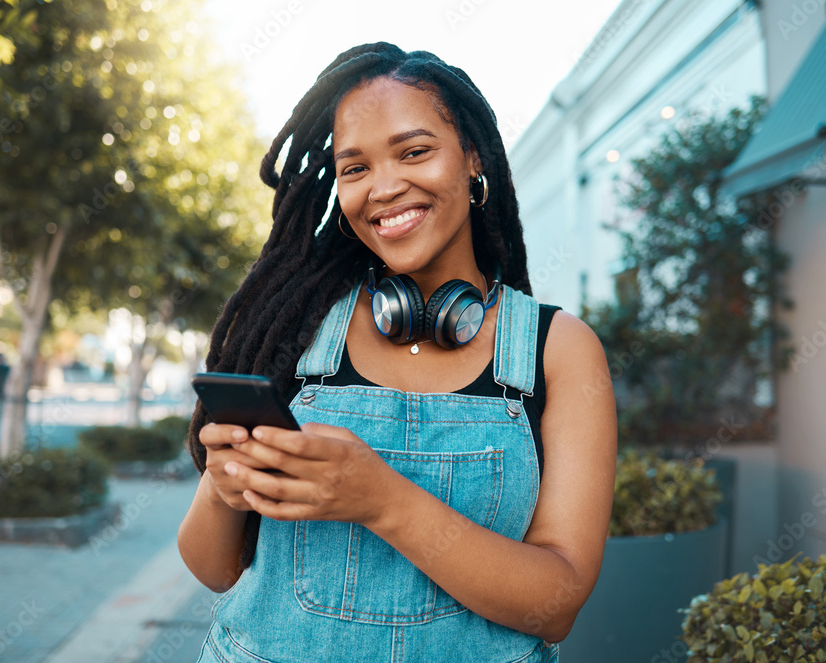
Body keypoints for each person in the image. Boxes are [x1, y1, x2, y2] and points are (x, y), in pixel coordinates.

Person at [178, 43, 617, 663]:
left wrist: (382, 501)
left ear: (472, 158)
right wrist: (222, 490)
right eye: (354, 168)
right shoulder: (292, 326)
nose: (383, 188)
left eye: (414, 152)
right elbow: (215, 569)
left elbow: (559, 604)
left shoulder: (558, 350)